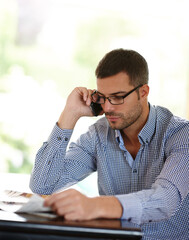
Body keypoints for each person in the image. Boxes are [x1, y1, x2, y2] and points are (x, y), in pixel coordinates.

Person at [30, 49, 189, 225]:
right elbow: (42, 186)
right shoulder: (98, 135)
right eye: (103, 98)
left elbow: (166, 200)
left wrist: (96, 206)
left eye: (117, 97)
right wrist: (70, 114)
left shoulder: (181, 134)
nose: (107, 108)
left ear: (143, 92)